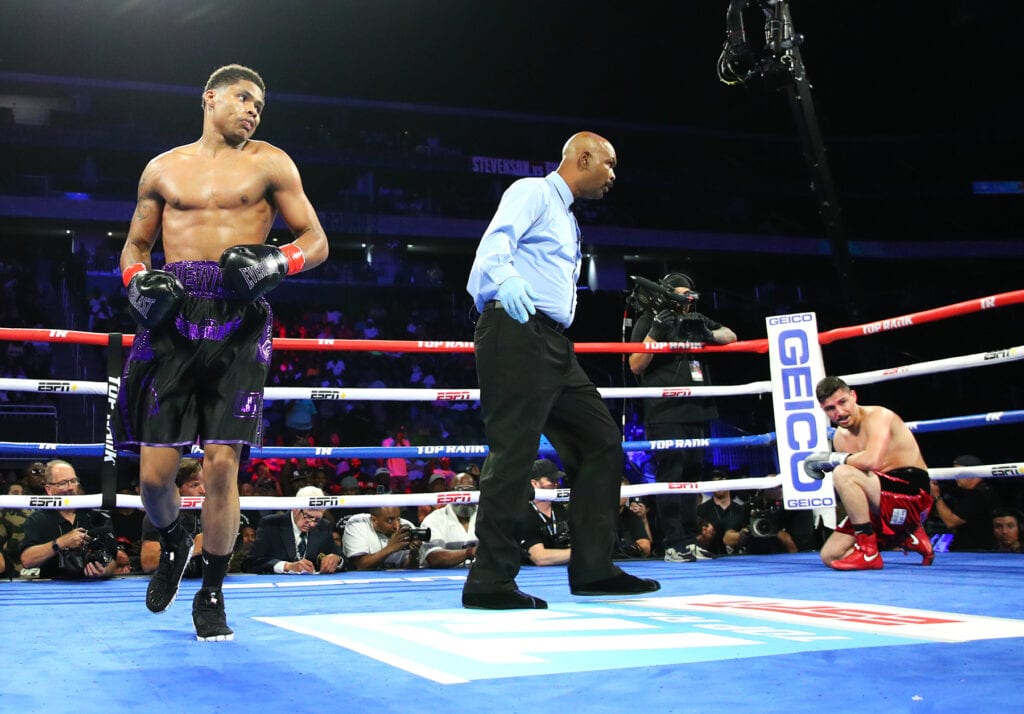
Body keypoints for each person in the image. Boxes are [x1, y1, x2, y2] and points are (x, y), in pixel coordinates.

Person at [111, 64, 329, 641]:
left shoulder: (271, 162)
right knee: (155, 478)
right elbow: (136, 244)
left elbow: (316, 239)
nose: (253, 109)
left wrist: (280, 261)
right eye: (242, 97)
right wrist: (138, 281)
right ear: (209, 97)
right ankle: (177, 538)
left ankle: (211, 592)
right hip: (173, 313)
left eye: (259, 103)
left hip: (239, 315)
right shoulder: (163, 168)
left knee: (222, 464)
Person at [463, 131, 659, 609]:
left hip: (551, 341)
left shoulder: (567, 218)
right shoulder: (532, 192)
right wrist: (505, 281)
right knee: (514, 453)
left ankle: (593, 569)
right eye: (609, 164)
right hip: (515, 327)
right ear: (584, 157)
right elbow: (495, 243)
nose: (613, 175)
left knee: (601, 441)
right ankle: (489, 582)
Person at [628, 271, 737, 563]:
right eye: (679, 295)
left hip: (698, 409)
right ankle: (674, 544)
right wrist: (655, 333)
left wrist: (710, 335)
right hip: (665, 412)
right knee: (671, 476)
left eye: (688, 296)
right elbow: (635, 365)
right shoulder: (648, 321)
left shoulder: (697, 320)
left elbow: (731, 335)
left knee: (693, 478)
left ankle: (689, 540)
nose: (685, 301)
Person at [809, 376, 934, 570]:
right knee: (830, 556)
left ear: (853, 396)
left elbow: (872, 460)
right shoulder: (840, 438)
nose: (839, 412)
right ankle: (906, 535)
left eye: (843, 402)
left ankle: (869, 551)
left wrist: (833, 459)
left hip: (913, 494)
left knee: (842, 472)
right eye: (830, 408)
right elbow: (859, 485)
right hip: (879, 500)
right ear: (823, 410)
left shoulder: (879, 416)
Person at [19, 460, 118, 580]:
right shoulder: (37, 520)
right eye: (63, 483)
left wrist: (104, 570)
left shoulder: (96, 516)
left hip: (93, 587)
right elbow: (27, 560)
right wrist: (61, 542)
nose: (70, 487)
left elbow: (111, 561)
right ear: (49, 489)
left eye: (73, 481)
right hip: (51, 589)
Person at [243, 486, 343, 574]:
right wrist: (287, 566)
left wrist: (336, 559)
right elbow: (250, 563)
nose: (312, 524)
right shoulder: (271, 524)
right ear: (295, 509)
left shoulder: (324, 526)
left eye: (317, 519)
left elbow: (342, 558)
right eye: (308, 516)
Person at [140, 458, 206, 579]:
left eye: (204, 484)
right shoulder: (159, 513)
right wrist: (193, 549)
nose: (203, 491)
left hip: (201, 580)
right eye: (195, 485)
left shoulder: (208, 511)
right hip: (168, 581)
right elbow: (149, 563)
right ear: (177, 488)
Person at [928, 454, 999, 551]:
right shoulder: (984, 490)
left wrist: (936, 495)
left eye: (958, 472)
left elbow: (951, 522)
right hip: (978, 548)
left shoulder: (977, 495)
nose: (955, 477)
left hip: (975, 550)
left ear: (972, 473)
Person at [517, 459, 572, 567]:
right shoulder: (524, 514)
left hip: (564, 571)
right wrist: (581, 554)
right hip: (533, 577)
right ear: (534, 483)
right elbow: (540, 558)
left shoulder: (560, 509)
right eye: (552, 480)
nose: (557, 484)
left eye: (557, 480)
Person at [418, 472, 479, 568]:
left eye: (470, 490)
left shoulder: (487, 516)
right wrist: (470, 552)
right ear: (450, 492)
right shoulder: (434, 519)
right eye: (460, 490)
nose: (465, 496)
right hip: (443, 579)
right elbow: (433, 557)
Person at [342, 506, 423, 571]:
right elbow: (360, 565)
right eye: (390, 520)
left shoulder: (406, 526)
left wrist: (413, 555)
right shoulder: (358, 523)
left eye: (398, 518)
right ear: (374, 520)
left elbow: (408, 569)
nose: (397, 526)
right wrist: (391, 547)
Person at [696, 470, 747, 555]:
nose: (718, 485)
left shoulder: (740, 510)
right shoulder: (701, 510)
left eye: (720, 481)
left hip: (738, 558)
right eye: (714, 482)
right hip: (710, 559)